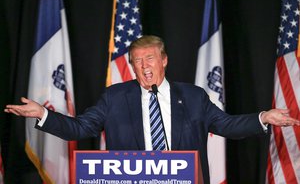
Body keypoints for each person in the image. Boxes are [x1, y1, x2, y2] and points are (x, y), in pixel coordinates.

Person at [4, 35, 300, 184]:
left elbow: (226, 125)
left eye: (150, 59)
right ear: (131, 65)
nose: (144, 66)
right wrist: (43, 115)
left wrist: (264, 117)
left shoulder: (193, 96)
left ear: (164, 60)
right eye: (136, 61)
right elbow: (81, 127)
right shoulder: (115, 97)